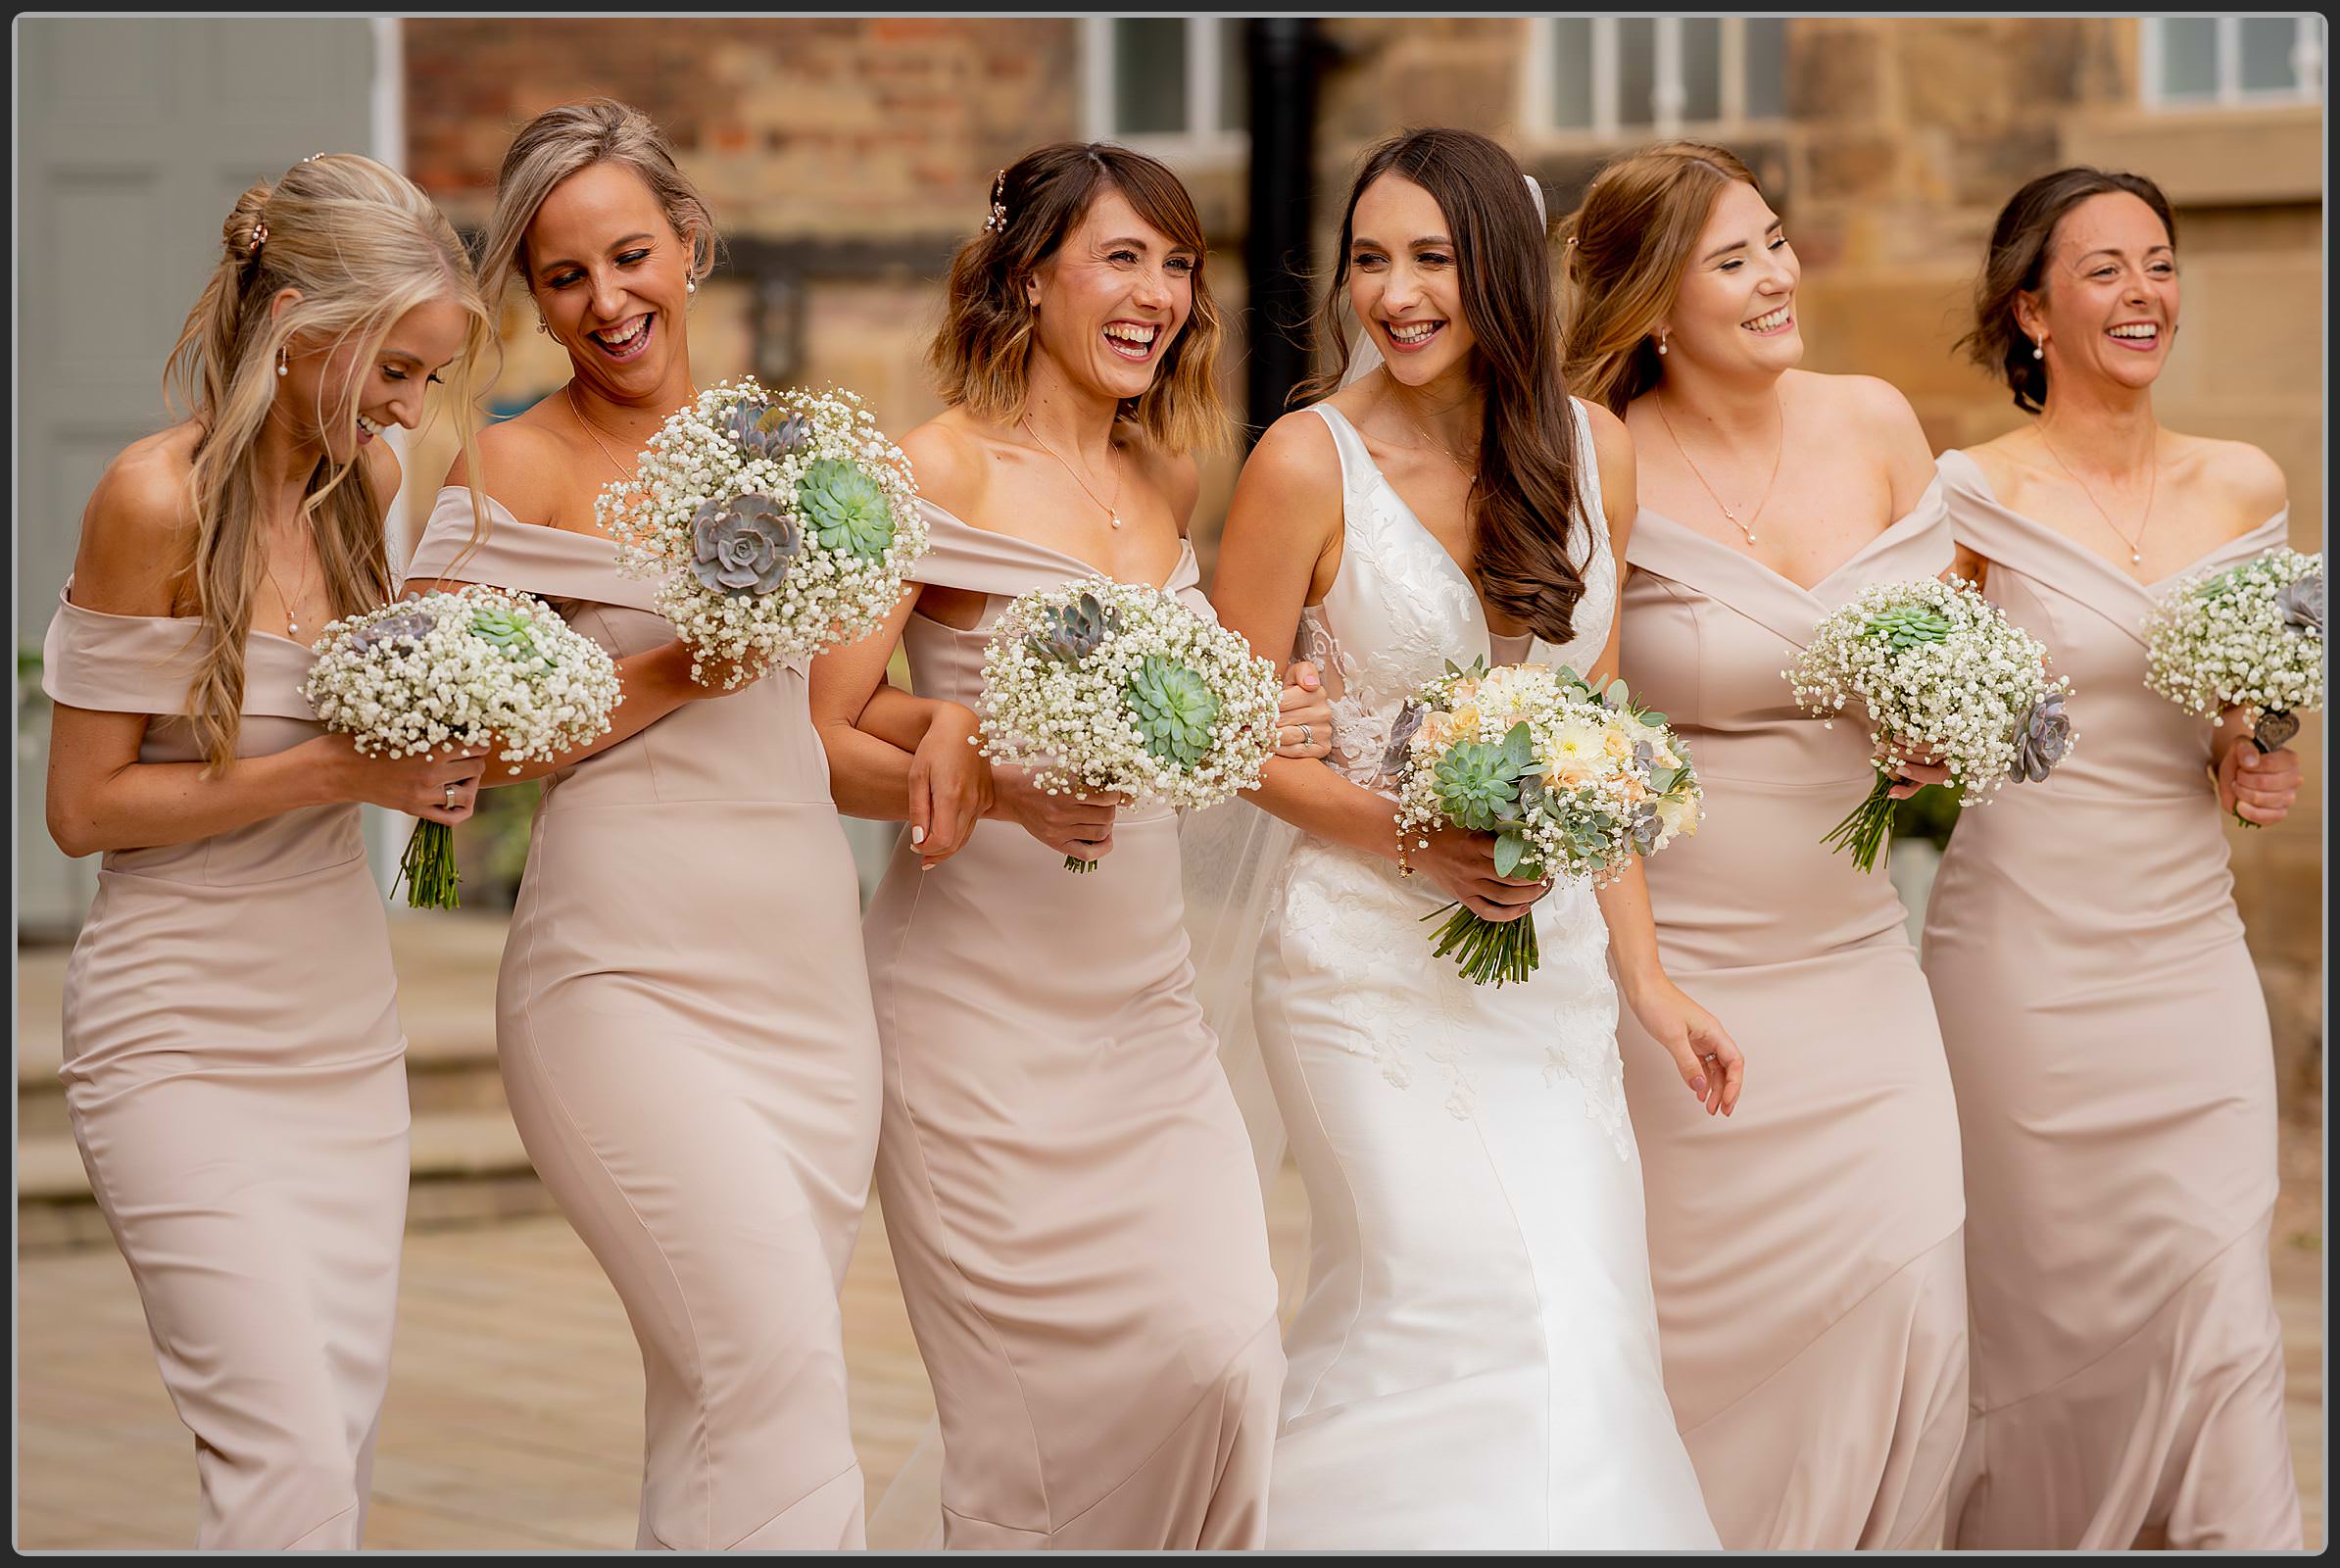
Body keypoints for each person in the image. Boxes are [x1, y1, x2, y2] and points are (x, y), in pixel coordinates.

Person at [1204, 126, 1733, 1550]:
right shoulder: (1304, 463)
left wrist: (1647, 976)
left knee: (1589, 1320)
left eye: (1430, 258)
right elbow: (1235, 739)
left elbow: (1598, 736)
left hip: (1549, 982)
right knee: (1462, 1303)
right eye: (1369, 260)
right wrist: (1408, 838)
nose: (1395, 293)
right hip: (1359, 968)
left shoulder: (1593, 450)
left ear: (1497, 266)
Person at [42, 153, 493, 1548]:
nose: (411, 411)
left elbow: (393, 724)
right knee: (284, 1457)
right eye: (397, 372)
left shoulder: (372, 485)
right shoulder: (151, 503)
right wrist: (340, 769)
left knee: (327, 1467)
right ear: (301, 327)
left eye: (428, 379)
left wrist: (445, 764)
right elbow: (85, 808)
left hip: (343, 1042)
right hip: (175, 1033)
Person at [1925, 165, 2304, 1550]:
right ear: (2030, 312)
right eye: (2104, 270)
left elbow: (2246, 711)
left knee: (2220, 1298)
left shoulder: (2246, 484)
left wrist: (2256, 752)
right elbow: (1921, 720)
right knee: (2040, 1312)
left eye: (2160, 264)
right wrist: (1925, 748)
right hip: (2021, 958)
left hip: (2186, 955)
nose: (2145, 294)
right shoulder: (1967, 495)